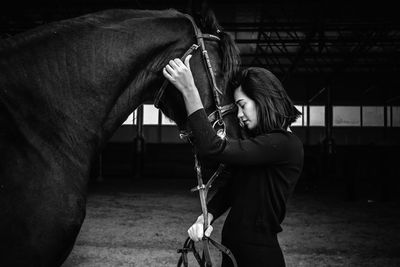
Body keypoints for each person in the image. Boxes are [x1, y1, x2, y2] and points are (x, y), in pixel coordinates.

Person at [163, 55, 304, 267]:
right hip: (235, 255)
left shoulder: (284, 145)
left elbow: (213, 147)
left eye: (242, 105)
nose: (239, 115)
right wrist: (206, 218)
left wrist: (189, 89)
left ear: (263, 99)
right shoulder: (265, 146)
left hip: (258, 259)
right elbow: (232, 191)